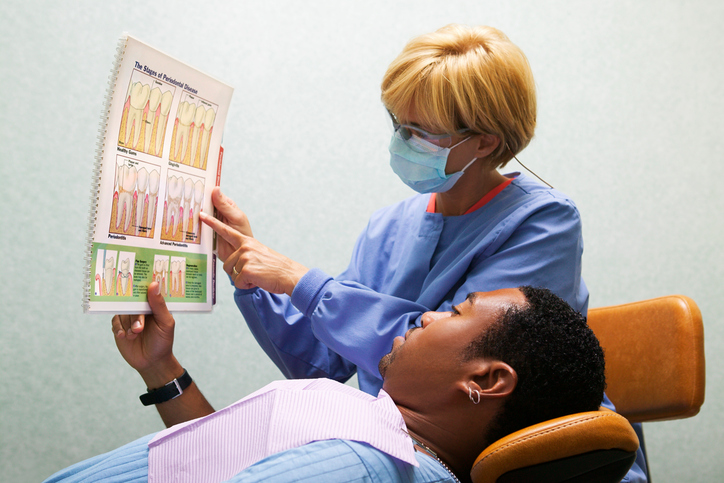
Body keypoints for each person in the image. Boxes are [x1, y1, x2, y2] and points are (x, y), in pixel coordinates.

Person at [45, 283, 608, 483]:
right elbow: (218, 461)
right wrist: (161, 369)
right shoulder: (378, 437)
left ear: (485, 379)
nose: (427, 317)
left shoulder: (365, 466)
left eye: (455, 313)